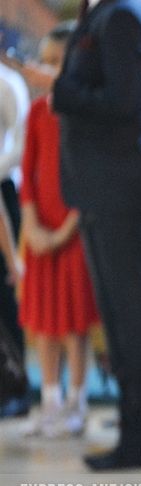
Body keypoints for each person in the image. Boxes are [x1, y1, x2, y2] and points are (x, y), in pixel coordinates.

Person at [16, 0, 141, 470]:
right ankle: (140, 426)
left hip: (119, 185)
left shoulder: (123, 13)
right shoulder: (101, 11)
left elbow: (123, 103)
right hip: (101, 186)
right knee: (121, 319)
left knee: (130, 317)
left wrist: (55, 86)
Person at [18, 21, 99, 439]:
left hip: (73, 232)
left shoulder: (83, 112)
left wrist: (67, 228)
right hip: (39, 233)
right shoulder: (35, 112)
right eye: (44, 61)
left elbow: (87, 175)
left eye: (58, 61)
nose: (48, 68)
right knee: (43, 321)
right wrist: (31, 223)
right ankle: (49, 399)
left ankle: (77, 400)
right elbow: (27, 172)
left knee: (73, 323)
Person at [0, 50, 29, 419]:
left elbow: (19, 144)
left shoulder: (8, 82)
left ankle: (16, 386)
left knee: (6, 291)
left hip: (3, 188)